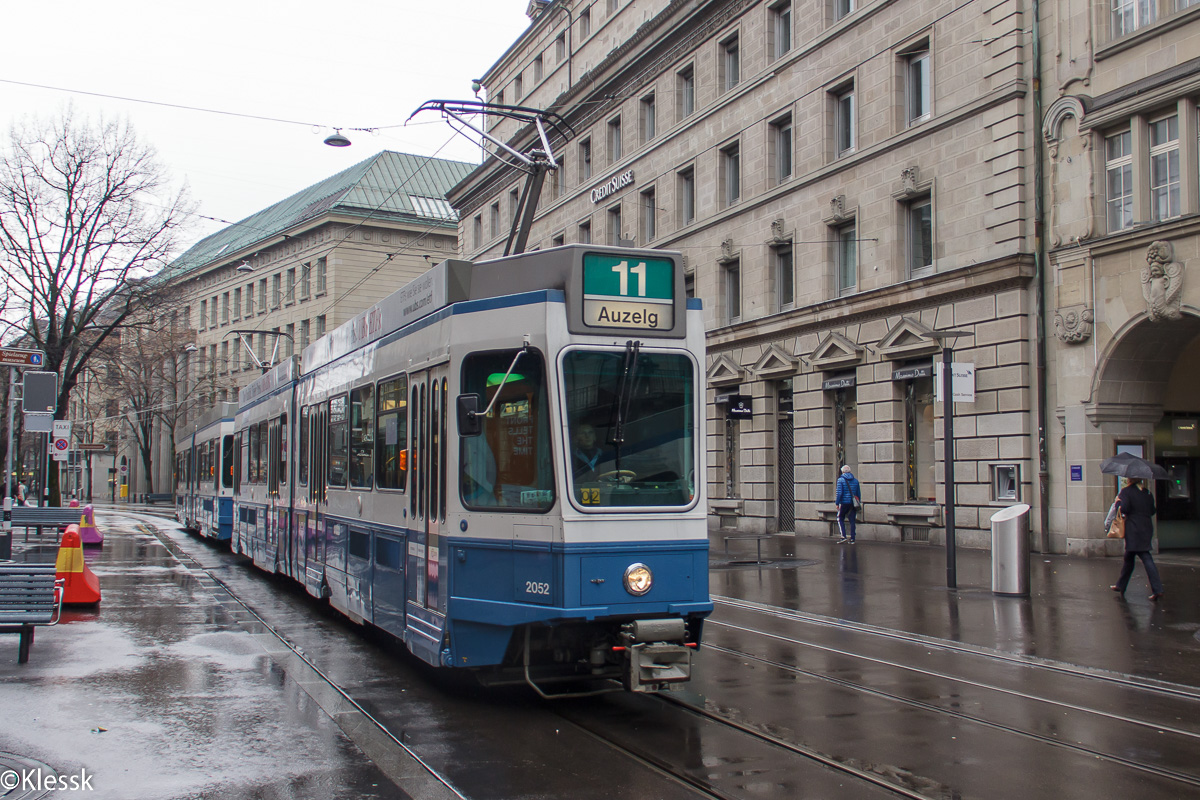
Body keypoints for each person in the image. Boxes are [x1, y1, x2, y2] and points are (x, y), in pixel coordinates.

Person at [1109, 477, 1165, 601]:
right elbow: (1152, 510)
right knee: (1129, 557)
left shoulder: (1126, 492)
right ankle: (1120, 585)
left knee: (1145, 556)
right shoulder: (1147, 493)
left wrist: (1118, 502)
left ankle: (1157, 589)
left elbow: (1124, 508)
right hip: (1146, 527)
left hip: (1133, 529)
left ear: (1130, 479)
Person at [835, 465, 861, 544]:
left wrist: (837, 503)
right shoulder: (855, 481)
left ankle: (843, 536)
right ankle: (852, 538)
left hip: (844, 502)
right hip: (853, 503)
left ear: (842, 471)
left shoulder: (840, 480)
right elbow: (858, 493)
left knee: (840, 518)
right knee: (852, 520)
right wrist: (858, 502)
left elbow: (839, 493)